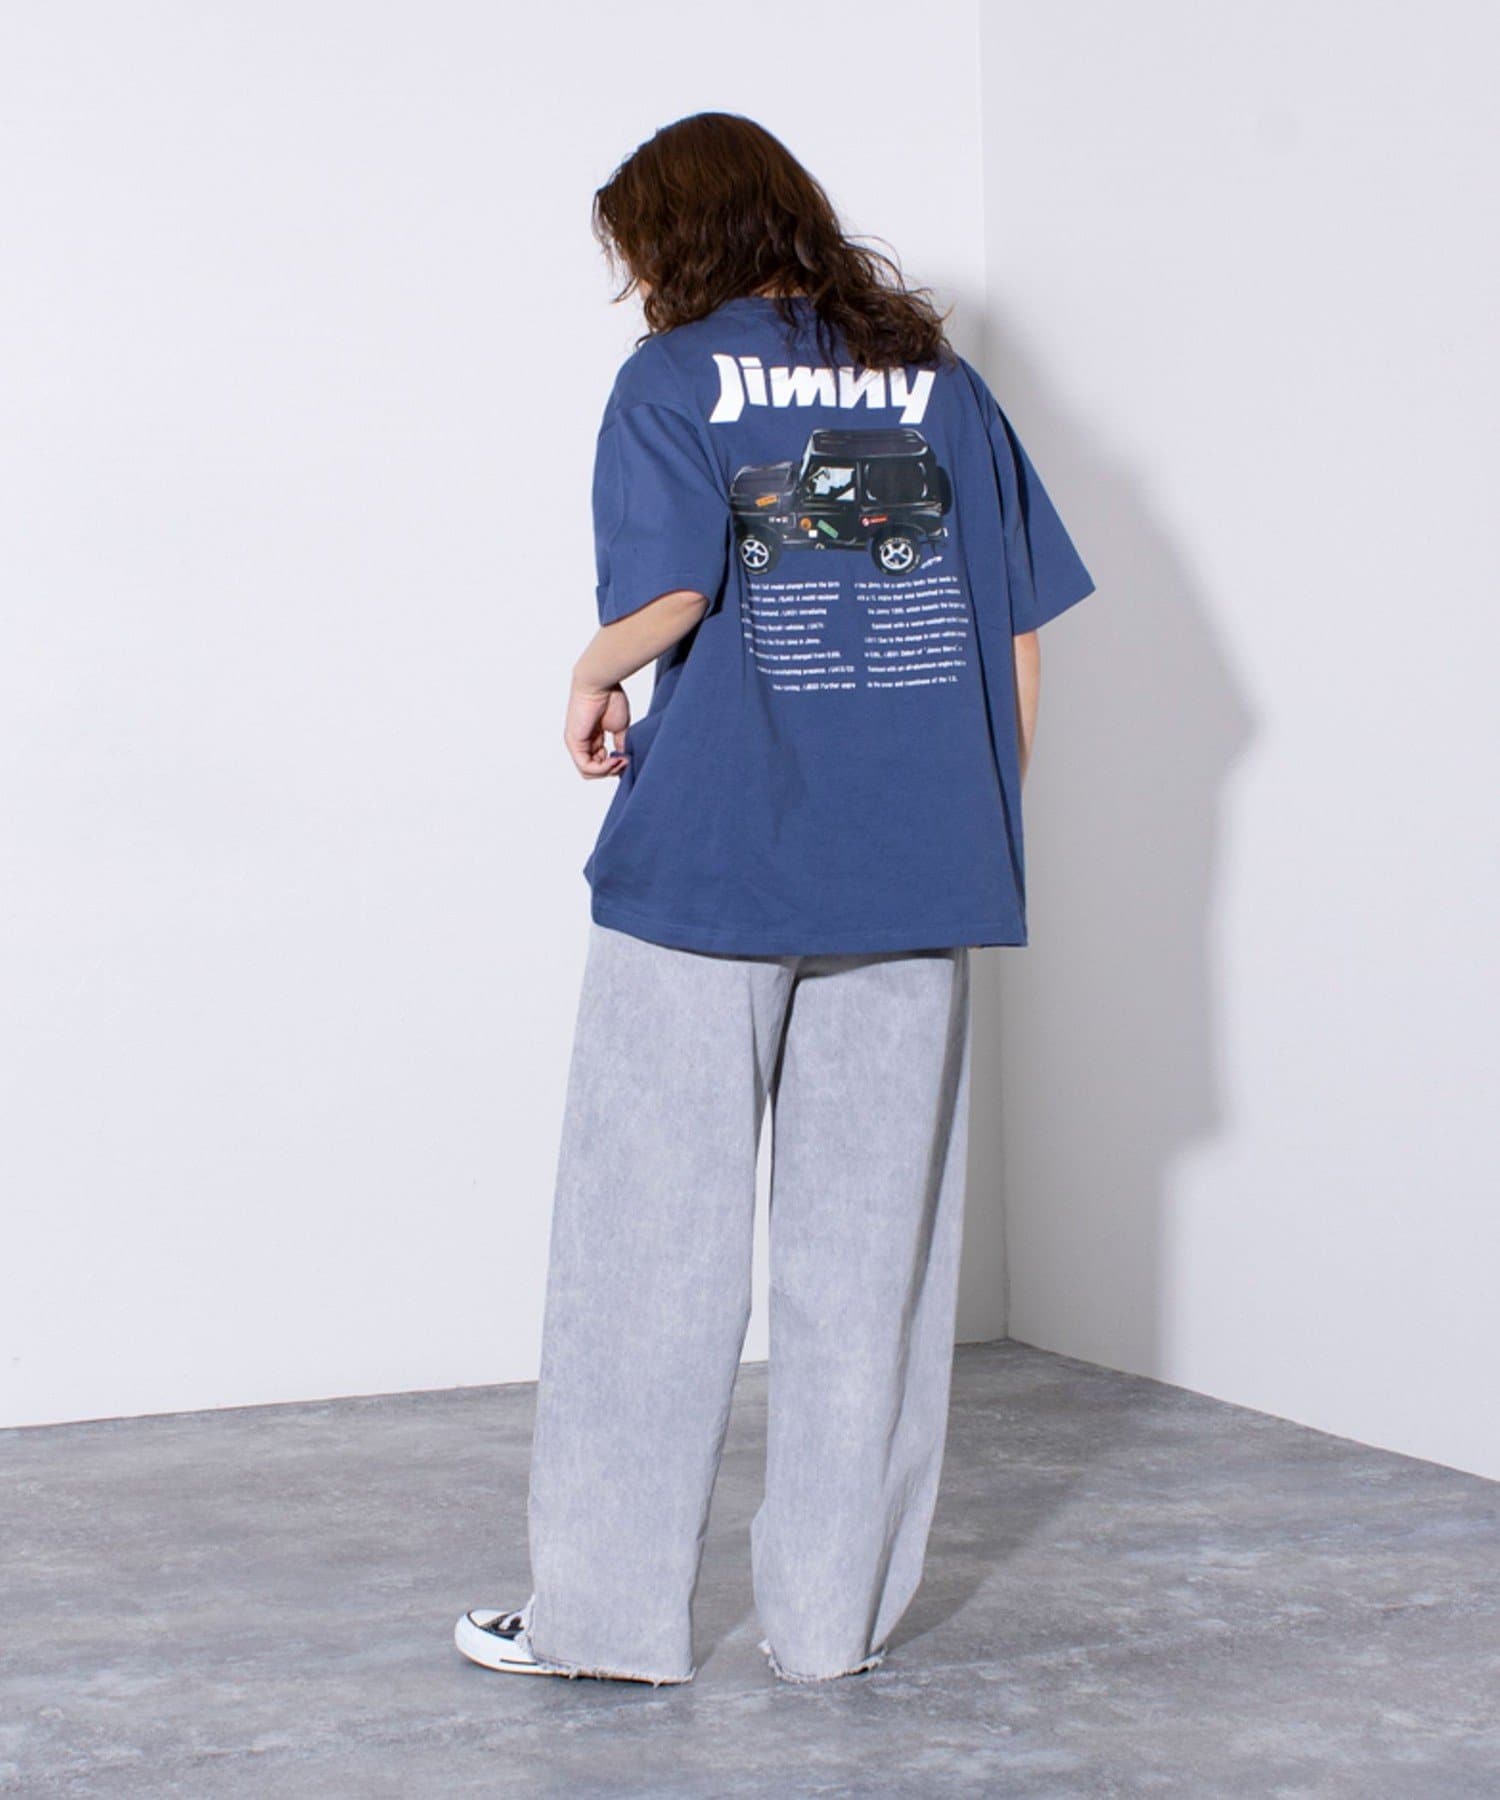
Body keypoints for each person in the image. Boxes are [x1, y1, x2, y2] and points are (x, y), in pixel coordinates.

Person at [455, 111, 1094, 1687]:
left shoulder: (671, 381)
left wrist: (591, 675)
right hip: (915, 874)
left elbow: (674, 589)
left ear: (676, 239)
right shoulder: (943, 385)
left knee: (644, 1253)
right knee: (871, 1267)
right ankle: (828, 1628)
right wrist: (965, 826)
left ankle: (606, 1626)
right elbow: (1018, 639)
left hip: (710, 869)